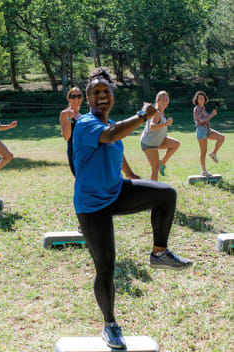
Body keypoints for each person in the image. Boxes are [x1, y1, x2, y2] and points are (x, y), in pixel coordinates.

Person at [72, 68, 192, 349]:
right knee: (106, 267)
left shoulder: (111, 123)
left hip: (116, 191)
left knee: (166, 195)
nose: (102, 96)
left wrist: (132, 175)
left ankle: (159, 253)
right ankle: (110, 325)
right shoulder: (86, 124)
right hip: (91, 205)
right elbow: (111, 135)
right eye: (96, 93)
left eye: (106, 92)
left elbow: (116, 146)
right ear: (89, 99)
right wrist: (142, 116)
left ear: (113, 96)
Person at [140, 90, 180, 181]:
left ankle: (162, 163)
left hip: (158, 141)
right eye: (163, 100)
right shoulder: (156, 113)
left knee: (176, 144)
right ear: (157, 101)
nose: (165, 102)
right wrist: (166, 123)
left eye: (166, 100)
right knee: (155, 169)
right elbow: (152, 127)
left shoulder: (161, 111)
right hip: (149, 144)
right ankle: (153, 191)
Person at [192, 91, 225, 176]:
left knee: (221, 138)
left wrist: (210, 115)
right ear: (197, 100)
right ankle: (203, 171)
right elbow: (201, 120)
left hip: (207, 130)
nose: (201, 100)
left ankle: (213, 153)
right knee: (203, 152)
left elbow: (205, 119)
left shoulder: (203, 108)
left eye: (202, 98)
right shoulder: (197, 108)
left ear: (205, 99)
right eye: (199, 98)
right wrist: (212, 114)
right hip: (201, 130)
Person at [60, 87, 83, 176]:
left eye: (79, 96)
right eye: (73, 96)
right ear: (68, 98)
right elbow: (66, 137)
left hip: (84, 152)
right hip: (74, 153)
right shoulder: (65, 113)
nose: (76, 99)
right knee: (80, 178)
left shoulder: (82, 116)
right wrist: (69, 118)